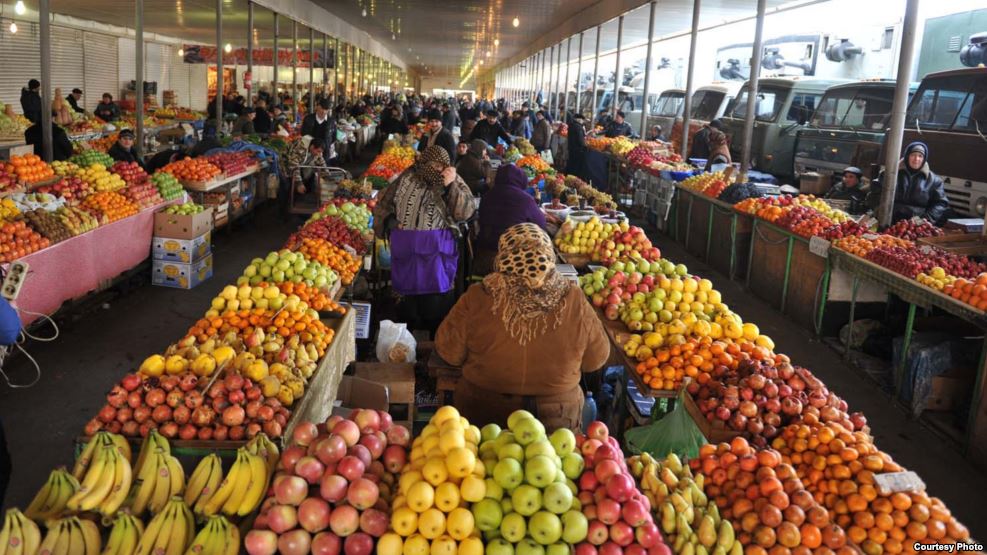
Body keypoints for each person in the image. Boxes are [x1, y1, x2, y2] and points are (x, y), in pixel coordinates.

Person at [435, 223, 609, 430]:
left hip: (485, 417)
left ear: (503, 257)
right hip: (557, 420)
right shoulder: (573, 297)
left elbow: (449, 352)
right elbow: (596, 359)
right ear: (548, 255)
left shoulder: (479, 295)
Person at [372, 146, 476, 335]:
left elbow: (466, 212)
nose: (437, 170)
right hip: (407, 250)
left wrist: (450, 185)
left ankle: (436, 341)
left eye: (442, 166)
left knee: (436, 301)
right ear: (423, 162)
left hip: (437, 253)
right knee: (407, 304)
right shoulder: (407, 177)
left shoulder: (453, 180)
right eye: (433, 165)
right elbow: (382, 206)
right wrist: (392, 223)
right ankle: (406, 339)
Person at [473, 164, 547, 276]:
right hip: (516, 260)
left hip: (485, 256)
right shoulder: (525, 199)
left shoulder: (487, 197)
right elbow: (541, 224)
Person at [867, 141, 950, 225]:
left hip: (914, 226)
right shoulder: (889, 174)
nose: (916, 159)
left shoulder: (934, 180)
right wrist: (879, 211)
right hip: (888, 221)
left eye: (920, 156)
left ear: (924, 159)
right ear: (907, 156)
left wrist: (925, 219)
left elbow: (940, 203)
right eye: (913, 155)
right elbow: (873, 196)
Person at [283, 138, 328, 212]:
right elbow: (294, 166)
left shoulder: (315, 151)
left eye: (321, 152)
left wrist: (327, 174)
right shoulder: (299, 149)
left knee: (300, 187)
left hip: (298, 166)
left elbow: (320, 160)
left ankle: (296, 204)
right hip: (285, 165)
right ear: (312, 147)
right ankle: (285, 212)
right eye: (318, 151)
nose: (319, 153)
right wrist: (299, 183)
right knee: (288, 188)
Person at [301, 99, 336, 163]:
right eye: (322, 108)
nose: (324, 111)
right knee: (309, 170)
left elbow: (333, 137)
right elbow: (303, 134)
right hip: (310, 151)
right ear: (317, 107)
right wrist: (312, 147)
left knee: (323, 170)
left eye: (326, 109)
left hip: (325, 152)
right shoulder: (308, 119)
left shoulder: (331, 121)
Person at [565, 112, 589, 182]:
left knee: (571, 164)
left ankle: (568, 177)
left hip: (571, 148)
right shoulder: (578, 127)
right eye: (582, 120)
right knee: (576, 167)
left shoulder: (571, 125)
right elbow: (581, 141)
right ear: (579, 120)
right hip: (578, 150)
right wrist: (585, 145)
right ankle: (574, 180)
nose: (583, 122)